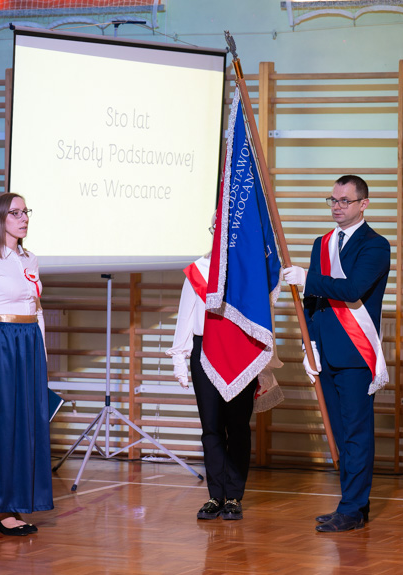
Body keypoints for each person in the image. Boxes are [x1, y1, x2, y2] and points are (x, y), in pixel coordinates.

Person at [283, 174, 391, 532]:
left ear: (364, 204)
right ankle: (353, 504)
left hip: (355, 353)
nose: (337, 207)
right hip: (326, 351)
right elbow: (313, 303)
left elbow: (353, 289)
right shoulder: (322, 243)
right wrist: (309, 343)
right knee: (341, 432)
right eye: (332, 200)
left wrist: (307, 278)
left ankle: (352, 506)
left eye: (344, 200)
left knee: (356, 433)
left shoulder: (375, 245)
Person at [0, 192, 53, 536]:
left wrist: (42, 358)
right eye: (16, 213)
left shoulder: (30, 259)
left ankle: (16, 501)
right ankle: (0, 509)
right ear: (0, 219)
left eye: (26, 212)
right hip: (2, 345)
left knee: (27, 426)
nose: (24, 218)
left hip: (28, 344)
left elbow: (38, 311)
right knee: (0, 428)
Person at [167, 243, 261, 521]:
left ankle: (233, 496)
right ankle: (215, 496)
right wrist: (179, 360)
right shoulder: (199, 270)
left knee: (238, 426)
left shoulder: (247, 270)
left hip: (239, 352)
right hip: (204, 350)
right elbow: (185, 315)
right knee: (211, 428)